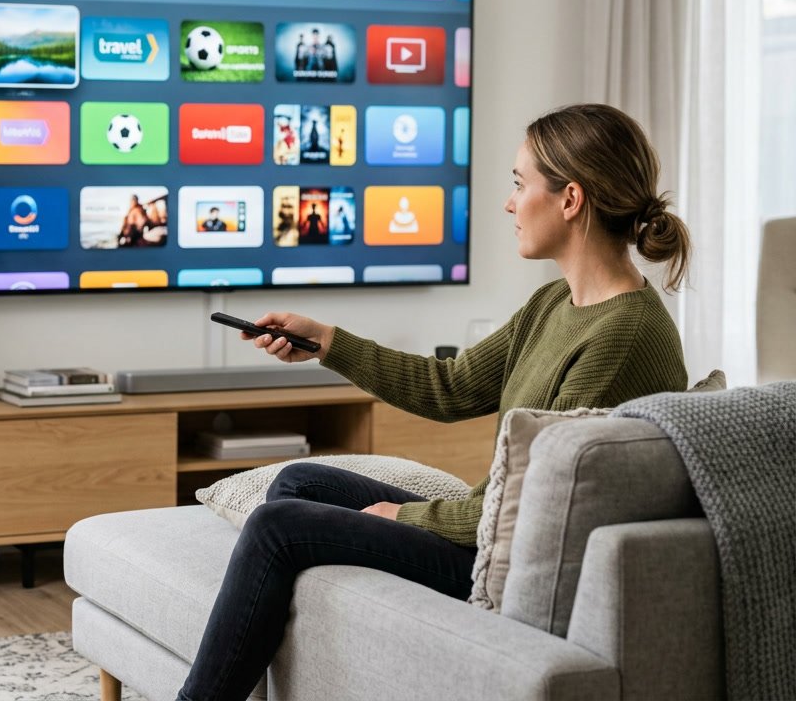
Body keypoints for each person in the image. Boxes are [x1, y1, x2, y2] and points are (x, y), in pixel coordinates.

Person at [176, 103, 693, 701]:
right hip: (488, 522)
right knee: (298, 483)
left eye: (520, 185)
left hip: (496, 553)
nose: (508, 203)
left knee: (277, 526)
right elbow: (449, 387)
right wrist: (326, 342)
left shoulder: (621, 337)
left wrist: (409, 517)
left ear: (570, 199)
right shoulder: (557, 302)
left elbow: (535, 508)